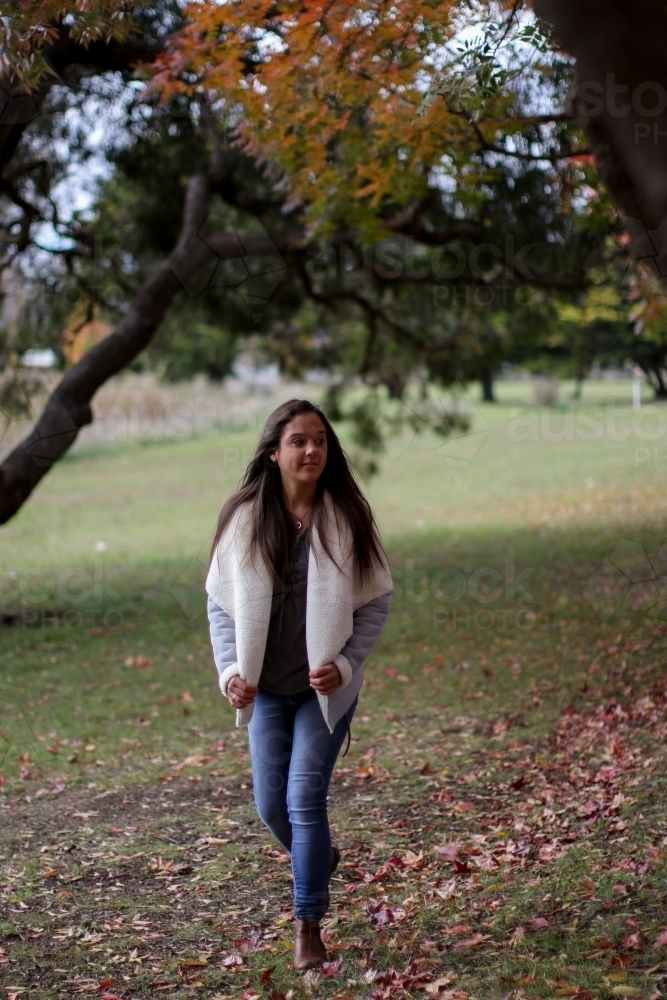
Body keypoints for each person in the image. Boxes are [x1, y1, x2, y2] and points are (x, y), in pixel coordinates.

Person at [206, 398, 392, 970]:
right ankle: (319, 858)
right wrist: (231, 672)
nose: (311, 450)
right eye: (297, 441)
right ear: (272, 453)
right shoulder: (243, 519)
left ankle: (307, 925)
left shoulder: (349, 515)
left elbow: (376, 599)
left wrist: (347, 663)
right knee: (271, 806)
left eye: (319, 440)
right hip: (266, 691)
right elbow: (219, 605)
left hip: (323, 694)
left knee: (304, 796)